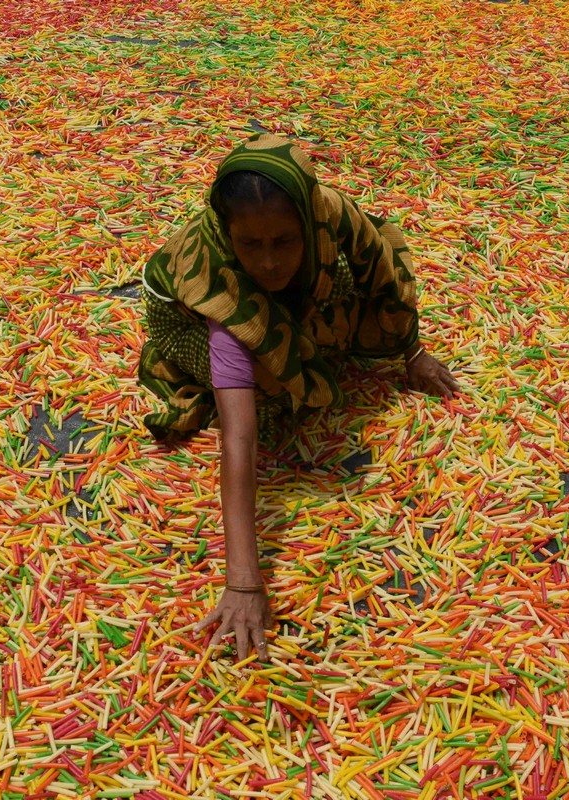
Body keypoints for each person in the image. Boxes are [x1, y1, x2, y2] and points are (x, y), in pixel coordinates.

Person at [138, 133, 459, 664]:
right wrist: (244, 581)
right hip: (181, 318)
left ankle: (292, 335)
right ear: (228, 235)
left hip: (312, 267)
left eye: (285, 242)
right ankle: (269, 348)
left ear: (310, 221)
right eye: (251, 245)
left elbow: (384, 269)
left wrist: (412, 352)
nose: (267, 263)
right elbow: (239, 437)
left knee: (342, 327)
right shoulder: (221, 281)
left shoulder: (334, 213)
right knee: (270, 393)